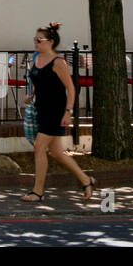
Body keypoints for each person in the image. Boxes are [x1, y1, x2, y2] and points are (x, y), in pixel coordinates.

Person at [22, 22, 95, 203]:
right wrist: (30, 96)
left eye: (39, 40)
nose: (36, 43)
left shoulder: (58, 62)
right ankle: (86, 180)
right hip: (41, 108)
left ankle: (38, 192)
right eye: (35, 39)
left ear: (51, 42)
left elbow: (71, 88)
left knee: (39, 146)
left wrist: (68, 112)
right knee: (56, 153)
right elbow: (37, 81)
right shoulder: (37, 58)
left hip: (55, 110)